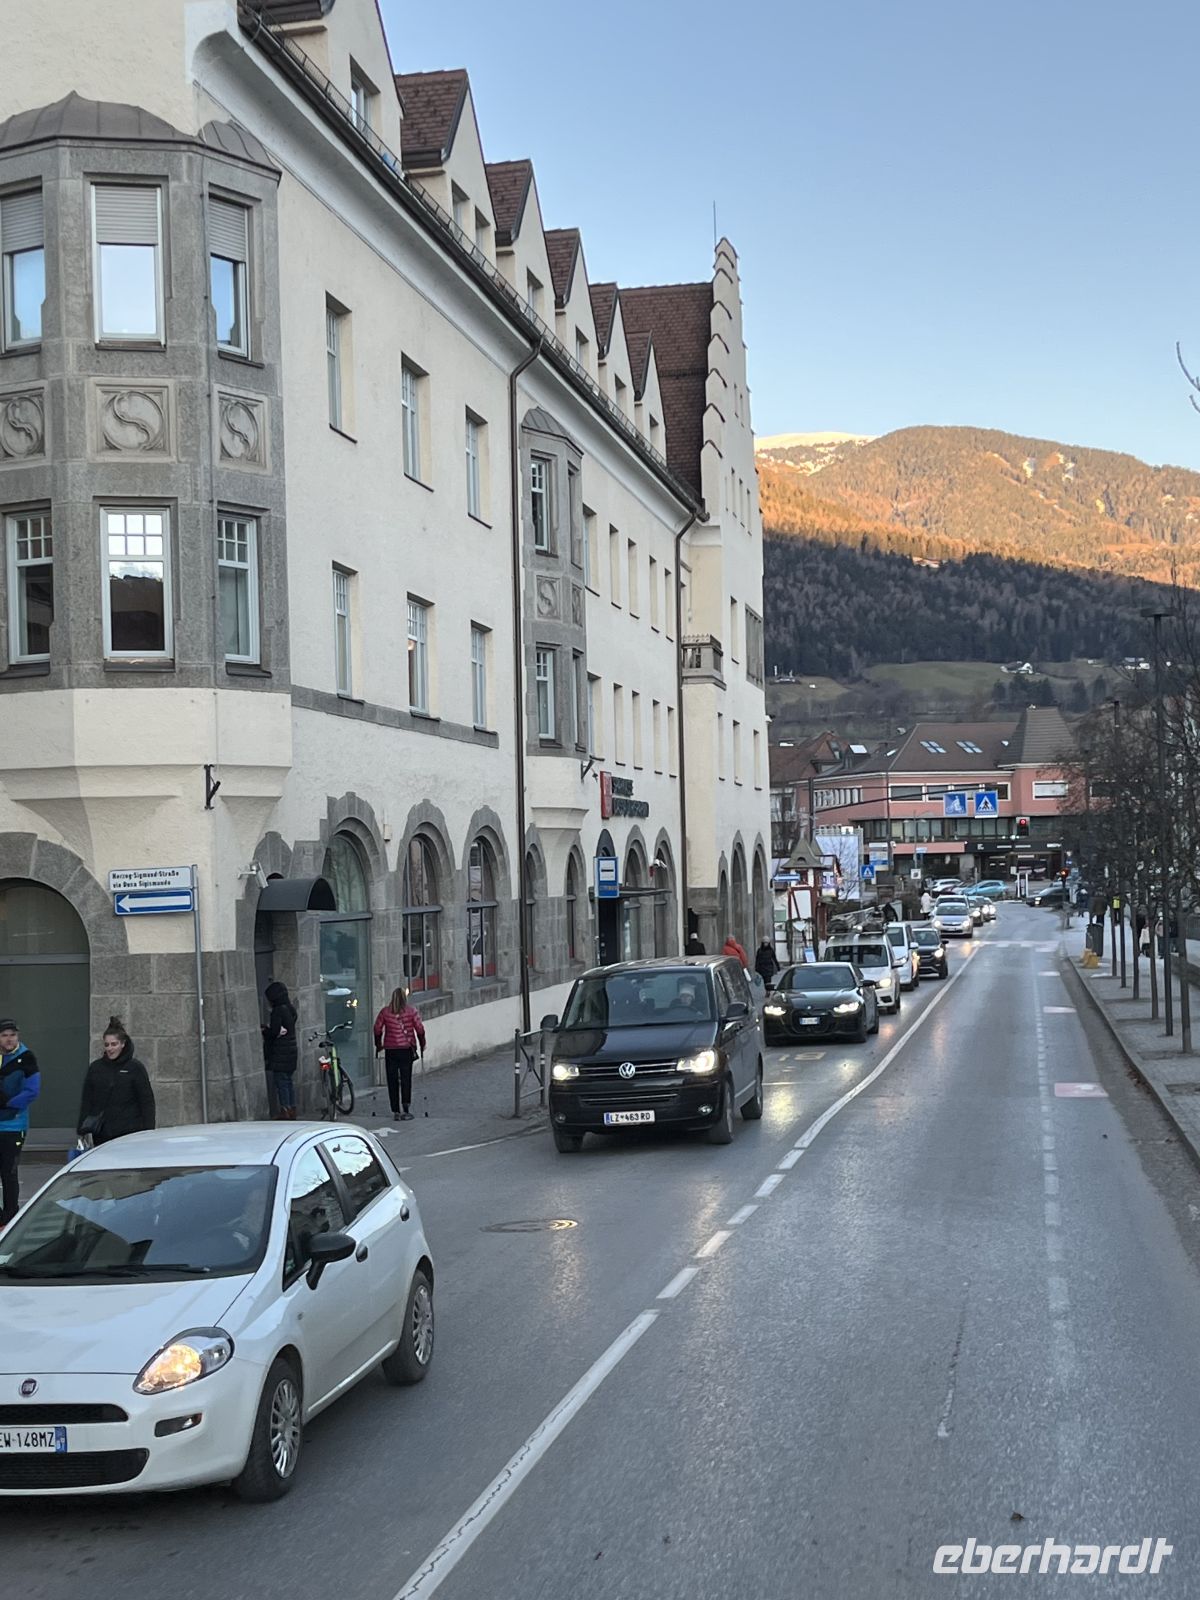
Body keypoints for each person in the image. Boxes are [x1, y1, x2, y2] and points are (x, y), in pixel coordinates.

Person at [77, 1017, 155, 1146]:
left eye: (114, 1044)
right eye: (107, 1044)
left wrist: (148, 1130)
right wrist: (82, 1127)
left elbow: (146, 1101)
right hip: (102, 1132)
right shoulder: (96, 1068)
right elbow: (87, 1099)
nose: (110, 1048)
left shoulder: (135, 1068)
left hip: (130, 1131)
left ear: (123, 1044)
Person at [0, 1018, 39, 1225]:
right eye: (5, 1035)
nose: (9, 1039)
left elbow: (32, 1091)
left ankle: (10, 1216)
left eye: (12, 1035)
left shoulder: (26, 1058)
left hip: (13, 1126)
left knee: (9, 1172)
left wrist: (8, 1103)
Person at [374, 986, 426, 1121]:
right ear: (404, 998)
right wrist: (422, 1043)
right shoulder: (411, 1011)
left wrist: (378, 1044)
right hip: (406, 1050)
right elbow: (420, 1029)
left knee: (392, 1080)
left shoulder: (385, 1012)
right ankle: (406, 1108)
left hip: (390, 1050)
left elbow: (377, 1028)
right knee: (405, 1079)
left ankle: (396, 1111)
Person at [262, 981, 299, 1120]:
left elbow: (274, 1031)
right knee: (288, 1082)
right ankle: (292, 1108)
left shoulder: (278, 1010)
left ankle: (285, 1110)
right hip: (291, 1051)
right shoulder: (290, 1009)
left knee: (282, 1083)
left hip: (280, 1053)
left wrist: (265, 1030)